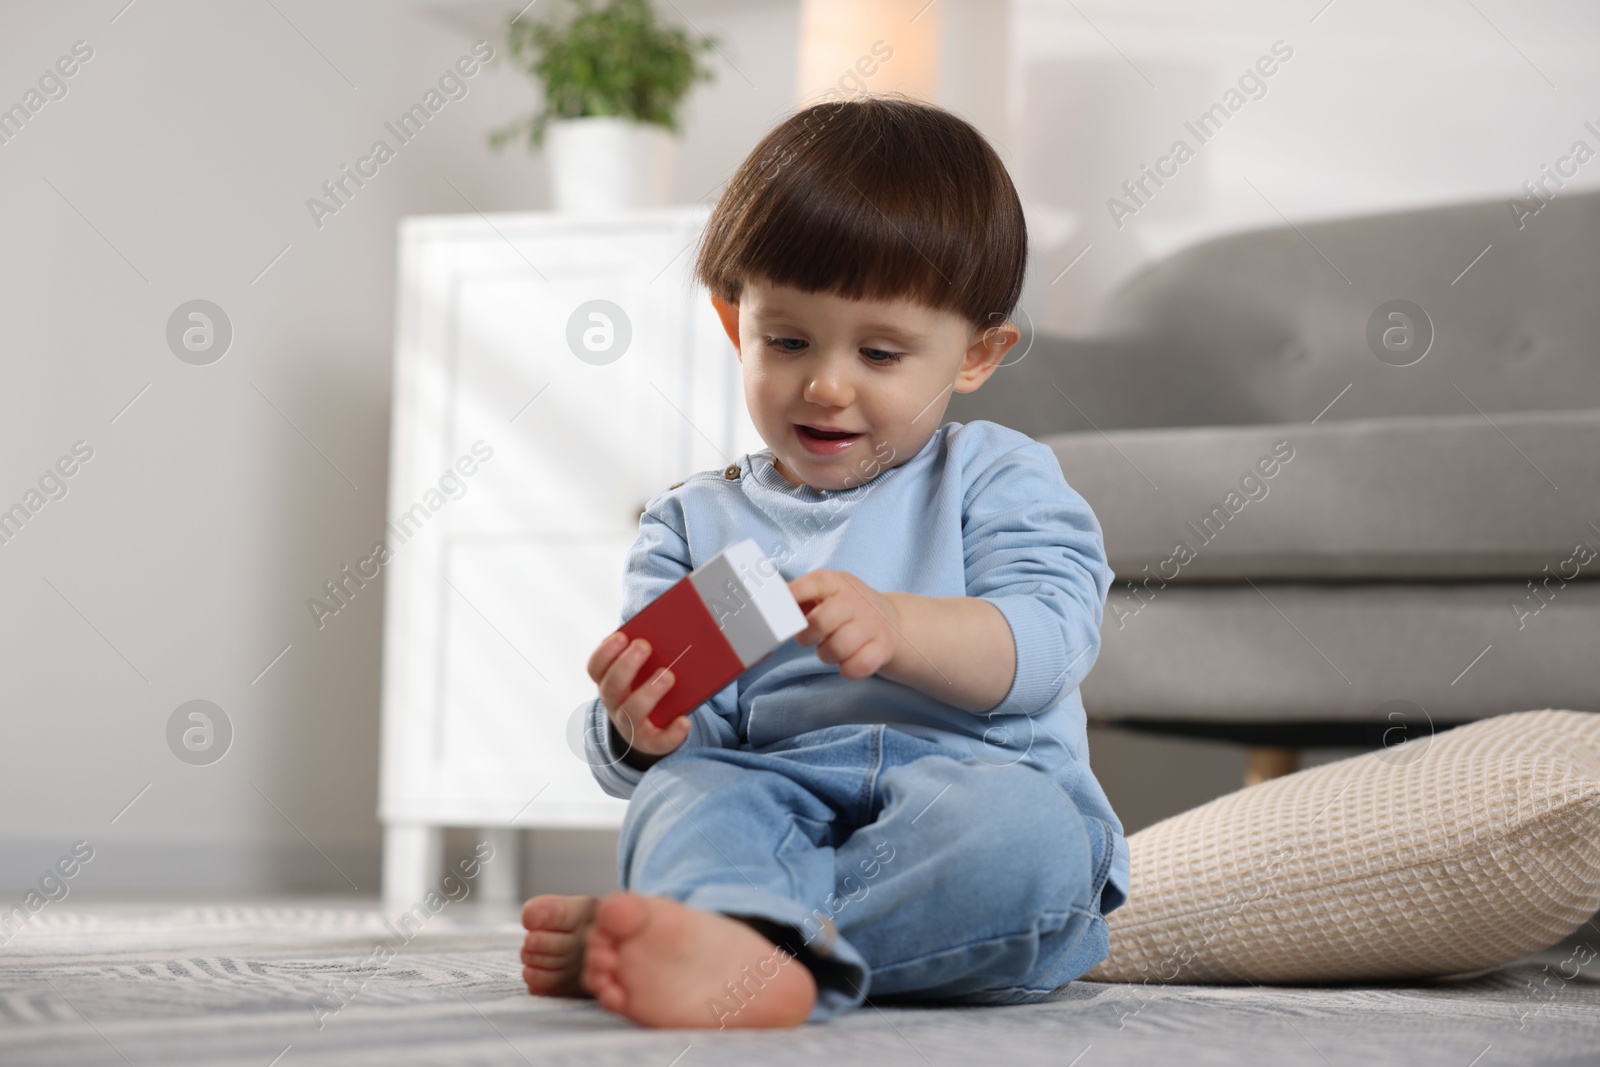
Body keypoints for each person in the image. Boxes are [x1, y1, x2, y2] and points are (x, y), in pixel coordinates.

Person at [519, 95, 1128, 1028]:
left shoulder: (997, 474)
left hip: (967, 790)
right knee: (686, 801)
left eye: (881, 352)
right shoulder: (695, 519)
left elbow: (1049, 639)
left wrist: (901, 625)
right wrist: (642, 729)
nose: (826, 384)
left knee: (1028, 840)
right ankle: (727, 929)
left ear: (977, 353)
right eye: (787, 340)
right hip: (778, 792)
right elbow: (695, 743)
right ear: (735, 325)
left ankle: (733, 937)